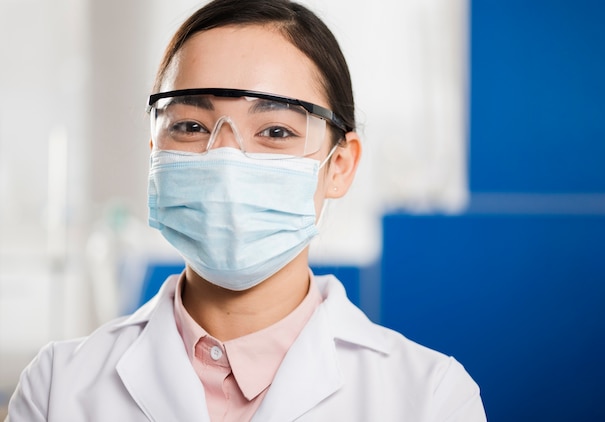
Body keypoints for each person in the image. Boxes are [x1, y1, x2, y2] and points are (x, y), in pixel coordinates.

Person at [7, 0, 486, 420]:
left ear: (338, 165)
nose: (225, 158)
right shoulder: (58, 388)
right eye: (192, 126)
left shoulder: (430, 399)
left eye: (275, 132)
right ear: (154, 150)